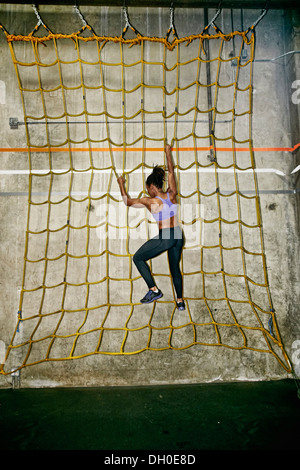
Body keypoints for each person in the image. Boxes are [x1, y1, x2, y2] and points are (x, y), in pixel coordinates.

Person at [117, 144, 185, 311]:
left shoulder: (149, 200)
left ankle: (153, 290)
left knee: (138, 258)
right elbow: (171, 171)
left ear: (151, 187)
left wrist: (121, 184)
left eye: (147, 188)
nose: (147, 190)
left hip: (167, 237)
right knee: (175, 268)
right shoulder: (172, 193)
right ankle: (180, 301)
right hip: (178, 235)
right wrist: (168, 152)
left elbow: (128, 202)